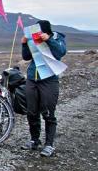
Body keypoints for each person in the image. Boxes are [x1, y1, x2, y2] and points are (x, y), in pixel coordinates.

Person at [20, 20, 67, 157]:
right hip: (32, 79)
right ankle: (34, 140)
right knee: (32, 112)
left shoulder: (57, 38)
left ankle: (49, 144)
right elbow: (26, 56)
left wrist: (49, 40)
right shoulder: (33, 39)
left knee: (48, 113)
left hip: (49, 80)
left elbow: (60, 53)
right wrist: (24, 44)